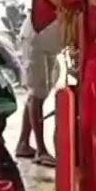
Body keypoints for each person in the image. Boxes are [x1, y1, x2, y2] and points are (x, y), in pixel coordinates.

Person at [14, 19, 63, 165]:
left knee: (39, 92)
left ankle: (23, 144)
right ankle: (41, 151)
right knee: (37, 93)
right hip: (36, 40)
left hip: (48, 44)